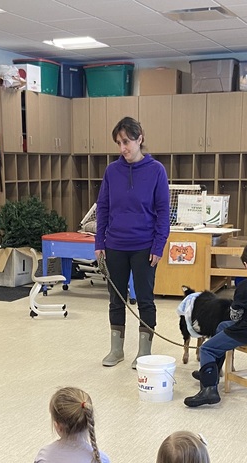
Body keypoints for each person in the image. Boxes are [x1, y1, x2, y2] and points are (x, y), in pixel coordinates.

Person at [94, 116, 171, 369]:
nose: (122, 148)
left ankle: (144, 352)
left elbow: (162, 212)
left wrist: (158, 246)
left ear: (140, 139)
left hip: (144, 248)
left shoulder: (156, 170)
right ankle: (116, 350)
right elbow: (102, 207)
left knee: (145, 299)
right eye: (118, 142)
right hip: (115, 245)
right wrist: (99, 242)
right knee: (116, 299)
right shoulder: (111, 171)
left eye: (126, 141)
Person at [185, 240, 247, 408]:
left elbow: (234, 316)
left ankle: (209, 390)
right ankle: (211, 372)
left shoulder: (245, 286)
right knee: (220, 327)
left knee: (207, 348)